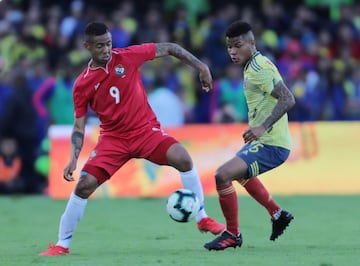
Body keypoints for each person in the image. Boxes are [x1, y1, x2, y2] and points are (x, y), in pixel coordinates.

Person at [39, 21, 224, 256]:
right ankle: (61, 244)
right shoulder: (82, 84)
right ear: (87, 46)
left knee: (183, 158)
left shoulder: (127, 57)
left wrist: (201, 67)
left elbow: (169, 47)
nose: (106, 50)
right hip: (113, 141)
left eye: (108, 44)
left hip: (145, 131)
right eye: (99, 46)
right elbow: (79, 124)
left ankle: (203, 218)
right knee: (84, 186)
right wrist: (73, 159)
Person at [204, 21, 296, 251]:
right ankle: (277, 214)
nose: (233, 52)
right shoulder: (254, 64)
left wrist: (262, 127)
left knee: (222, 175)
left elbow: (288, 98)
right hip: (267, 141)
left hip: (272, 144)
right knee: (240, 175)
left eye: (238, 46)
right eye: (229, 47)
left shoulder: (258, 69)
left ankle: (232, 234)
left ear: (252, 43)